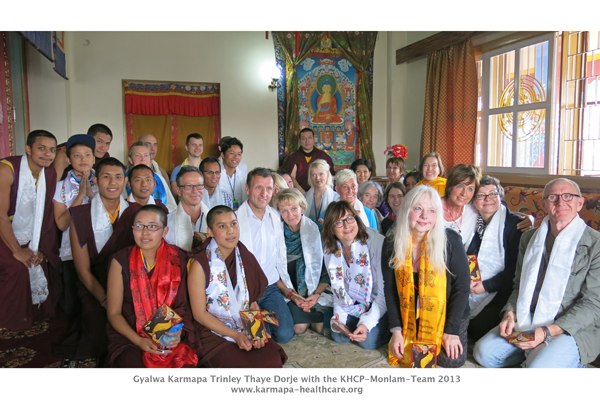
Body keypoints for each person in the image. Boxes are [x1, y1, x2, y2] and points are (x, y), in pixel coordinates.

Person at [474, 178, 600, 368]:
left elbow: (592, 304)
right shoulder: (529, 238)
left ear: (580, 203)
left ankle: (550, 358)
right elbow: (519, 285)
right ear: (543, 203)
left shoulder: (595, 244)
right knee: (484, 353)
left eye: (568, 196)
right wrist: (510, 313)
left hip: (572, 328)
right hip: (528, 318)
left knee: (537, 368)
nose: (560, 202)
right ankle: (537, 354)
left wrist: (546, 332)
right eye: (552, 197)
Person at [187, 206, 288, 367]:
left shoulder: (243, 255)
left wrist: (256, 329)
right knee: (240, 364)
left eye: (234, 224)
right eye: (222, 226)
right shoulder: (200, 265)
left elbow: (251, 301)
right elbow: (199, 314)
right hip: (212, 330)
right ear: (210, 231)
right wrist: (235, 336)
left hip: (243, 322)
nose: (230, 231)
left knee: (271, 359)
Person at [382, 185, 470, 368]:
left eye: (432, 210)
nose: (424, 216)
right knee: (403, 352)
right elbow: (390, 289)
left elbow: (462, 289)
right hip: (409, 312)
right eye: (418, 208)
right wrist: (396, 331)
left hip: (447, 313)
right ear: (407, 210)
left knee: (449, 360)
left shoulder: (451, 241)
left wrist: (451, 331)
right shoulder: (391, 243)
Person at [106, 205, 198, 367]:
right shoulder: (120, 261)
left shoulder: (180, 259)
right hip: (131, 336)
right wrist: (139, 341)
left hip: (172, 335)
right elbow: (113, 313)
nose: (145, 233)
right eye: (139, 226)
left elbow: (187, 308)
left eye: (153, 227)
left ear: (164, 231)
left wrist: (178, 333)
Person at [69, 157, 132, 363]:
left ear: (125, 181)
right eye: (106, 177)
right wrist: (104, 298)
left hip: (130, 283)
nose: (112, 183)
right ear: (96, 180)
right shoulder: (80, 215)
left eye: (118, 177)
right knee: (98, 325)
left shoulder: (136, 212)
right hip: (95, 284)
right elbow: (83, 270)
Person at [0, 130, 59, 331]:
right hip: (2, 230)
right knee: (17, 267)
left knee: (42, 261)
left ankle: (34, 315)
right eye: (41, 148)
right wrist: (17, 250)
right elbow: (0, 215)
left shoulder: (49, 173)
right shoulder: (7, 169)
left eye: (52, 150)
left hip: (27, 234)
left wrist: (39, 248)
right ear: (28, 149)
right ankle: (8, 324)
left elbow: (45, 216)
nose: (47, 154)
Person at [236, 168, 295, 344]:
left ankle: (263, 316)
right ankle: (259, 319)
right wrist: (250, 299)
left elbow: (279, 256)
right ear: (247, 189)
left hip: (269, 288)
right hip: (244, 289)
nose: (264, 194)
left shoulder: (275, 217)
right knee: (260, 337)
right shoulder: (235, 219)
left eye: (269, 188)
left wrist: (287, 289)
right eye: (258, 188)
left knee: (285, 334)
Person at [321, 201, 389, 349]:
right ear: (331, 229)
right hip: (353, 302)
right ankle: (351, 322)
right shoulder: (330, 248)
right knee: (338, 335)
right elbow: (337, 287)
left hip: (379, 301)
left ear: (356, 219)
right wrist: (339, 318)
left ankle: (380, 325)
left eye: (349, 218)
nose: (346, 226)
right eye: (338, 222)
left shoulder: (377, 243)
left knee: (367, 342)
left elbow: (385, 292)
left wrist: (367, 323)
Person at [466, 176, 523, 341]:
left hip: (502, 287)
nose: (487, 199)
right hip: (471, 282)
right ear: (474, 201)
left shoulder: (515, 225)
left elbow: (515, 271)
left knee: (477, 328)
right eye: (481, 195)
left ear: (501, 196)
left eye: (493, 194)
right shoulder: (471, 222)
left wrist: (485, 286)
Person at [273, 189, 332, 336]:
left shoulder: (317, 230)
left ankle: (312, 309)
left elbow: (327, 269)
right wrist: (292, 295)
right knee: (299, 328)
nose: (290, 215)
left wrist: (316, 294)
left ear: (302, 208)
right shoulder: (275, 234)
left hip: (316, 290)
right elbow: (272, 272)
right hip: (288, 291)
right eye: (284, 211)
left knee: (320, 328)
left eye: (294, 209)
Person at [53, 134, 98, 315]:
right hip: (71, 251)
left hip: (99, 249)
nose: (83, 159)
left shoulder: (105, 182)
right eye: (77, 155)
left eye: (87, 154)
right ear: (69, 159)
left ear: (94, 159)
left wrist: (93, 196)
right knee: (73, 303)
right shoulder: (59, 187)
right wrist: (80, 196)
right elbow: (62, 224)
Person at [165, 166, 209, 252]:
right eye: (188, 186)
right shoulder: (167, 223)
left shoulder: (214, 220)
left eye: (199, 186)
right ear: (178, 190)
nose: (195, 191)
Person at [126, 141, 177, 213]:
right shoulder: (123, 180)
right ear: (130, 160)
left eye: (146, 155)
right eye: (138, 155)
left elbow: (171, 205)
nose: (143, 159)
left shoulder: (159, 178)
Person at [282, 127, 335, 192]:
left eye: (309, 138)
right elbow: (290, 178)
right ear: (300, 141)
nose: (307, 141)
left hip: (321, 192)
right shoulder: (293, 157)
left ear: (313, 139)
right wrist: (302, 192)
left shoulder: (323, 156)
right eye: (304, 138)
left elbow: (330, 177)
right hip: (299, 193)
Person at [441, 164, 482, 246]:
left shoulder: (473, 211)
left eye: (470, 189)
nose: (464, 193)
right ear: (450, 187)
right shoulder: (433, 207)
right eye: (460, 186)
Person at [304, 159, 339, 231]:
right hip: (308, 235)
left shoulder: (336, 198)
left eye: (321, 174)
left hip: (329, 237)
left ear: (328, 175)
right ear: (310, 177)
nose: (317, 178)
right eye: (314, 174)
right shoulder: (304, 197)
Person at [218, 137, 248, 210]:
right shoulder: (216, 173)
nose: (236, 157)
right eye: (232, 153)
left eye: (239, 154)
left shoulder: (243, 171)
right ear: (222, 155)